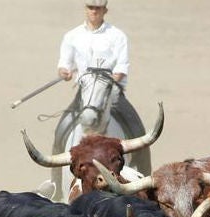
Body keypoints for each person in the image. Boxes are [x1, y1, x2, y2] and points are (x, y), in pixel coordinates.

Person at [51, 0, 151, 202]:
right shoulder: (72, 36)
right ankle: (56, 190)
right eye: (90, 8)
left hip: (112, 94)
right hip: (84, 95)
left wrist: (105, 83)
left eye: (97, 8)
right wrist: (64, 71)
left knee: (139, 130)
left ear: (105, 10)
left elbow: (121, 68)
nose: (94, 12)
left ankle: (147, 181)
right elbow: (64, 64)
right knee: (60, 131)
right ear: (85, 9)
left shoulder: (117, 36)